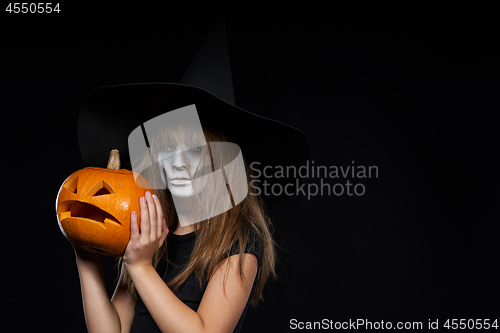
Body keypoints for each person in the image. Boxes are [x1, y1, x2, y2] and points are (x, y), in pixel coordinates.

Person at [74, 122, 277, 333]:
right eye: (169, 149)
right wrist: (85, 254)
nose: (179, 163)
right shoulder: (150, 230)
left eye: (195, 150)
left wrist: (141, 267)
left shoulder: (240, 239)